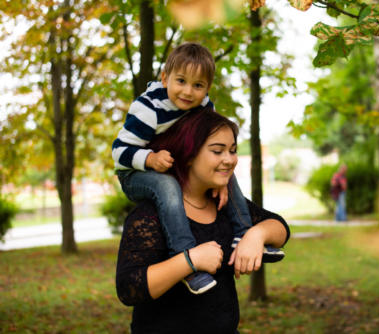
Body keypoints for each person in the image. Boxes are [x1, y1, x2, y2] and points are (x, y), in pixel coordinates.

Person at [112, 42, 283, 294]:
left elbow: (280, 228)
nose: (188, 92)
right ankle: (186, 253)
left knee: (227, 172)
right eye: (180, 81)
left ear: (207, 88)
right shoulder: (149, 108)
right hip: (134, 171)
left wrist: (256, 236)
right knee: (167, 185)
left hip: (167, 167)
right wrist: (150, 159)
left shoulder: (203, 107)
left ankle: (242, 231)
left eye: (198, 85)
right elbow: (119, 151)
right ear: (164, 78)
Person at [115, 108, 290, 333]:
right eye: (217, 151)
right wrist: (190, 261)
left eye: (233, 150)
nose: (229, 160)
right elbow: (129, 288)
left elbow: (279, 227)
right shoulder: (150, 215)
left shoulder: (224, 203)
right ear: (188, 155)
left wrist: (256, 235)